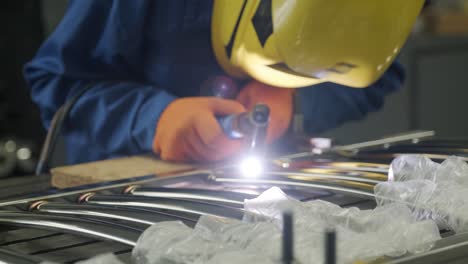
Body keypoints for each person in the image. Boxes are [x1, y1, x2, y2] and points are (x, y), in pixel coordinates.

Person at [24, 1, 406, 165]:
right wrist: (153, 118)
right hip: (130, 208)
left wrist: (296, 99)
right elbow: (56, 83)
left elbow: (379, 73)